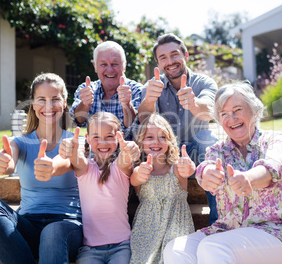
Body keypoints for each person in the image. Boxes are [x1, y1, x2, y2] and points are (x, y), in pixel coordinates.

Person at [163, 81, 282, 264]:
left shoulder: (275, 139)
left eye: (237, 110)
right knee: (175, 249)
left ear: (253, 111)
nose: (232, 118)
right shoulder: (217, 150)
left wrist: (248, 178)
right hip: (226, 231)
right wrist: (207, 175)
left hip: (277, 233)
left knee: (212, 247)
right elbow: (206, 168)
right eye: (224, 114)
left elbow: (273, 167)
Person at [0, 73, 83, 264]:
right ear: (32, 104)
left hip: (67, 228)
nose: (48, 106)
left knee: (52, 231)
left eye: (55, 99)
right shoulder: (20, 143)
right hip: (28, 226)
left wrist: (53, 167)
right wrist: (5, 163)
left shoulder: (76, 141)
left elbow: (67, 161)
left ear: (64, 102)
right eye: (41, 99)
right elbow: (10, 158)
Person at [138, 33, 218, 224]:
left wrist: (194, 103)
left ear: (186, 55)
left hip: (196, 158)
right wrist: (149, 99)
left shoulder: (204, 83)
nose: (170, 61)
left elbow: (210, 110)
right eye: (163, 58)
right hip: (163, 159)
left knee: (207, 137)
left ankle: (218, 223)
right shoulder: (151, 87)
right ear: (158, 63)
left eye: (174, 55)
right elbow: (142, 120)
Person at [59, 111, 140, 264]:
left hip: (122, 246)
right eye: (96, 137)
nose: (103, 143)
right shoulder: (85, 168)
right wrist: (71, 149)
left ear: (118, 137)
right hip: (90, 250)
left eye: (109, 137)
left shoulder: (119, 168)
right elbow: (76, 158)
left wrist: (130, 148)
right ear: (88, 139)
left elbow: (126, 156)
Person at [129, 113, 195, 264]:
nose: (156, 142)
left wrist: (189, 167)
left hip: (176, 226)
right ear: (141, 142)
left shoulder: (176, 168)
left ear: (170, 141)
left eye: (162, 137)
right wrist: (140, 173)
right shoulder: (140, 170)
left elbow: (187, 169)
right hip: (147, 230)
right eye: (149, 137)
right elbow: (135, 179)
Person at [70, 40, 142, 139]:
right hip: (96, 153)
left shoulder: (137, 90)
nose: (110, 70)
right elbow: (78, 121)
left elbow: (136, 127)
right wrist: (85, 105)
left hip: (128, 153)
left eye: (115, 64)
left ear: (124, 65)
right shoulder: (86, 88)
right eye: (103, 64)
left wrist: (127, 104)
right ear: (95, 66)